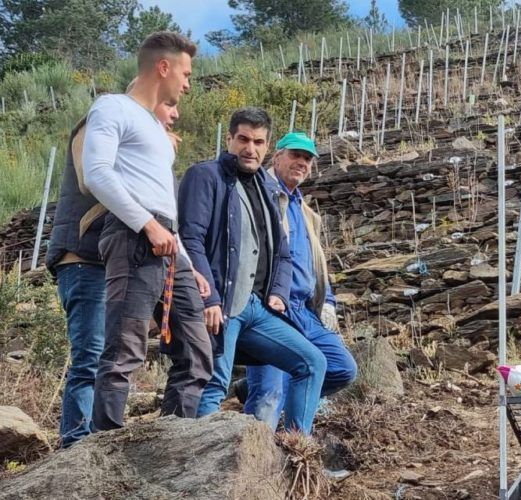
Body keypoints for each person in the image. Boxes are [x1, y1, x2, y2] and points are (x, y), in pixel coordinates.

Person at [46, 84, 200, 445]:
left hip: (116, 260)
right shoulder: (95, 124)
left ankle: (109, 441)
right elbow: (90, 180)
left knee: (112, 350)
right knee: (93, 355)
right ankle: (77, 447)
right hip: (83, 259)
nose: (175, 115)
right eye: (168, 106)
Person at [83, 31, 213, 431]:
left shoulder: (157, 129)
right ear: (164, 67)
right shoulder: (112, 107)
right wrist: (148, 225)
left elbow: (165, 203)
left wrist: (188, 263)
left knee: (196, 353)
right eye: (186, 73)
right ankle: (104, 453)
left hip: (165, 240)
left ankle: (170, 443)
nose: (188, 84)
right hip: (133, 235)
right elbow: (97, 173)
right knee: (125, 348)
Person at [179, 107, 326, 434]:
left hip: (258, 308)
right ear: (229, 138)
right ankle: (203, 468)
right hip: (223, 304)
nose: (250, 148)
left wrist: (277, 293)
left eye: (258, 141)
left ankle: (293, 453)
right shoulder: (205, 176)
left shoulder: (267, 188)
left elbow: (283, 254)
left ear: (267, 145)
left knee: (313, 363)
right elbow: (190, 239)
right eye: (243, 139)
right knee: (214, 384)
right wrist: (209, 298)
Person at [239, 132, 357, 425]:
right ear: (277, 156)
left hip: (304, 311)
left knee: (342, 368)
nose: (302, 163)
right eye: (295, 155)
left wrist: (327, 302)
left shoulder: (305, 211)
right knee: (267, 395)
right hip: (272, 309)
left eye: (307, 158)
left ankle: (290, 453)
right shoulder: (260, 195)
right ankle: (256, 467)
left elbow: (315, 263)